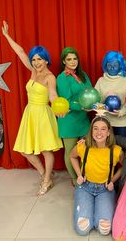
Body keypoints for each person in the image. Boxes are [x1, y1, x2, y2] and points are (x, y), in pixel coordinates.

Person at [1, 21, 63, 195]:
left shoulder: (50, 77)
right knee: (24, 151)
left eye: (39, 59)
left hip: (43, 113)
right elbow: (20, 51)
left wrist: (58, 105)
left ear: (46, 60)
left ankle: (47, 180)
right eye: (34, 59)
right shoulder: (33, 71)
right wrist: (7, 36)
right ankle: (45, 175)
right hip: (30, 113)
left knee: (45, 150)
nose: (36, 62)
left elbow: (52, 94)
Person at [70, 116, 124, 236]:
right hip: (85, 186)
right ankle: (88, 210)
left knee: (104, 230)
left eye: (103, 129)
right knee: (82, 230)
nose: (99, 132)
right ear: (91, 131)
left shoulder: (116, 151)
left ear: (109, 132)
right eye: (95, 128)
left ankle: (98, 211)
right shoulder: (83, 146)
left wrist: (113, 180)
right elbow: (72, 156)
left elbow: (124, 166)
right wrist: (79, 174)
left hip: (105, 189)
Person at [56, 47, 92, 185]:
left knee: (86, 148)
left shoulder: (83, 75)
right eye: (69, 59)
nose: (72, 62)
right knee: (70, 152)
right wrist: (81, 106)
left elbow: (90, 91)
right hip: (69, 119)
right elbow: (66, 101)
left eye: (74, 58)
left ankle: (86, 175)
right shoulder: (62, 77)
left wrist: (91, 104)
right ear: (64, 61)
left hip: (83, 119)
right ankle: (74, 179)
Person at [95, 51, 126, 137]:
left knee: (123, 149)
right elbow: (95, 102)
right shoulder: (101, 81)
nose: (112, 68)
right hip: (104, 123)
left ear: (120, 66)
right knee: (106, 150)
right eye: (109, 65)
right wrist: (103, 108)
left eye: (115, 65)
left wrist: (121, 112)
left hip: (124, 123)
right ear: (105, 66)